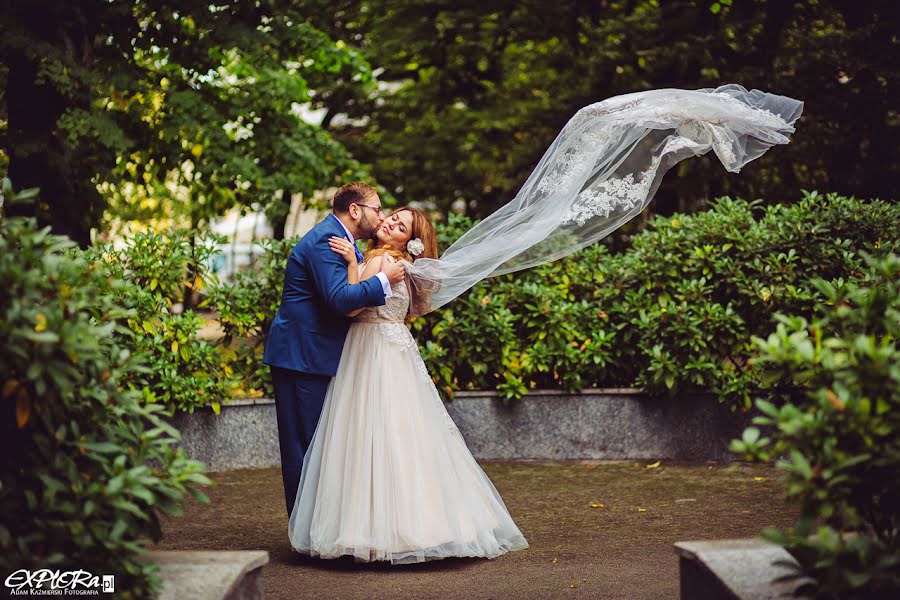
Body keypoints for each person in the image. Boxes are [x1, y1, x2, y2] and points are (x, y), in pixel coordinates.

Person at [288, 207, 529, 564]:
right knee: (405, 434)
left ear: (408, 242)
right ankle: (423, 523)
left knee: (369, 434)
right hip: (392, 347)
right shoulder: (396, 263)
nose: (388, 222)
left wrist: (353, 266)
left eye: (399, 226)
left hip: (371, 349)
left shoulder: (383, 261)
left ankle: (377, 529)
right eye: (391, 217)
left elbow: (351, 308)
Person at [263, 183, 405, 515]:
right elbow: (339, 300)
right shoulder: (326, 242)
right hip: (301, 357)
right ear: (355, 210)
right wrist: (384, 279)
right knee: (304, 447)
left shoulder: (343, 241)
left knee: (318, 445)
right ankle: (305, 531)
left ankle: (317, 528)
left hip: (315, 355)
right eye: (377, 209)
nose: (381, 216)